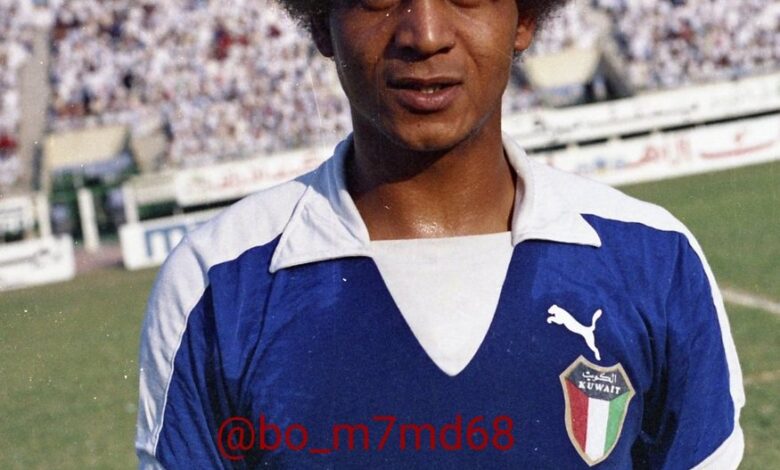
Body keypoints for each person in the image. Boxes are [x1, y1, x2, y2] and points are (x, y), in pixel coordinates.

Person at [135, 0, 745, 468]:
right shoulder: (218, 285)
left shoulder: (654, 260)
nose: (425, 34)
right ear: (322, 22)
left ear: (524, 18)